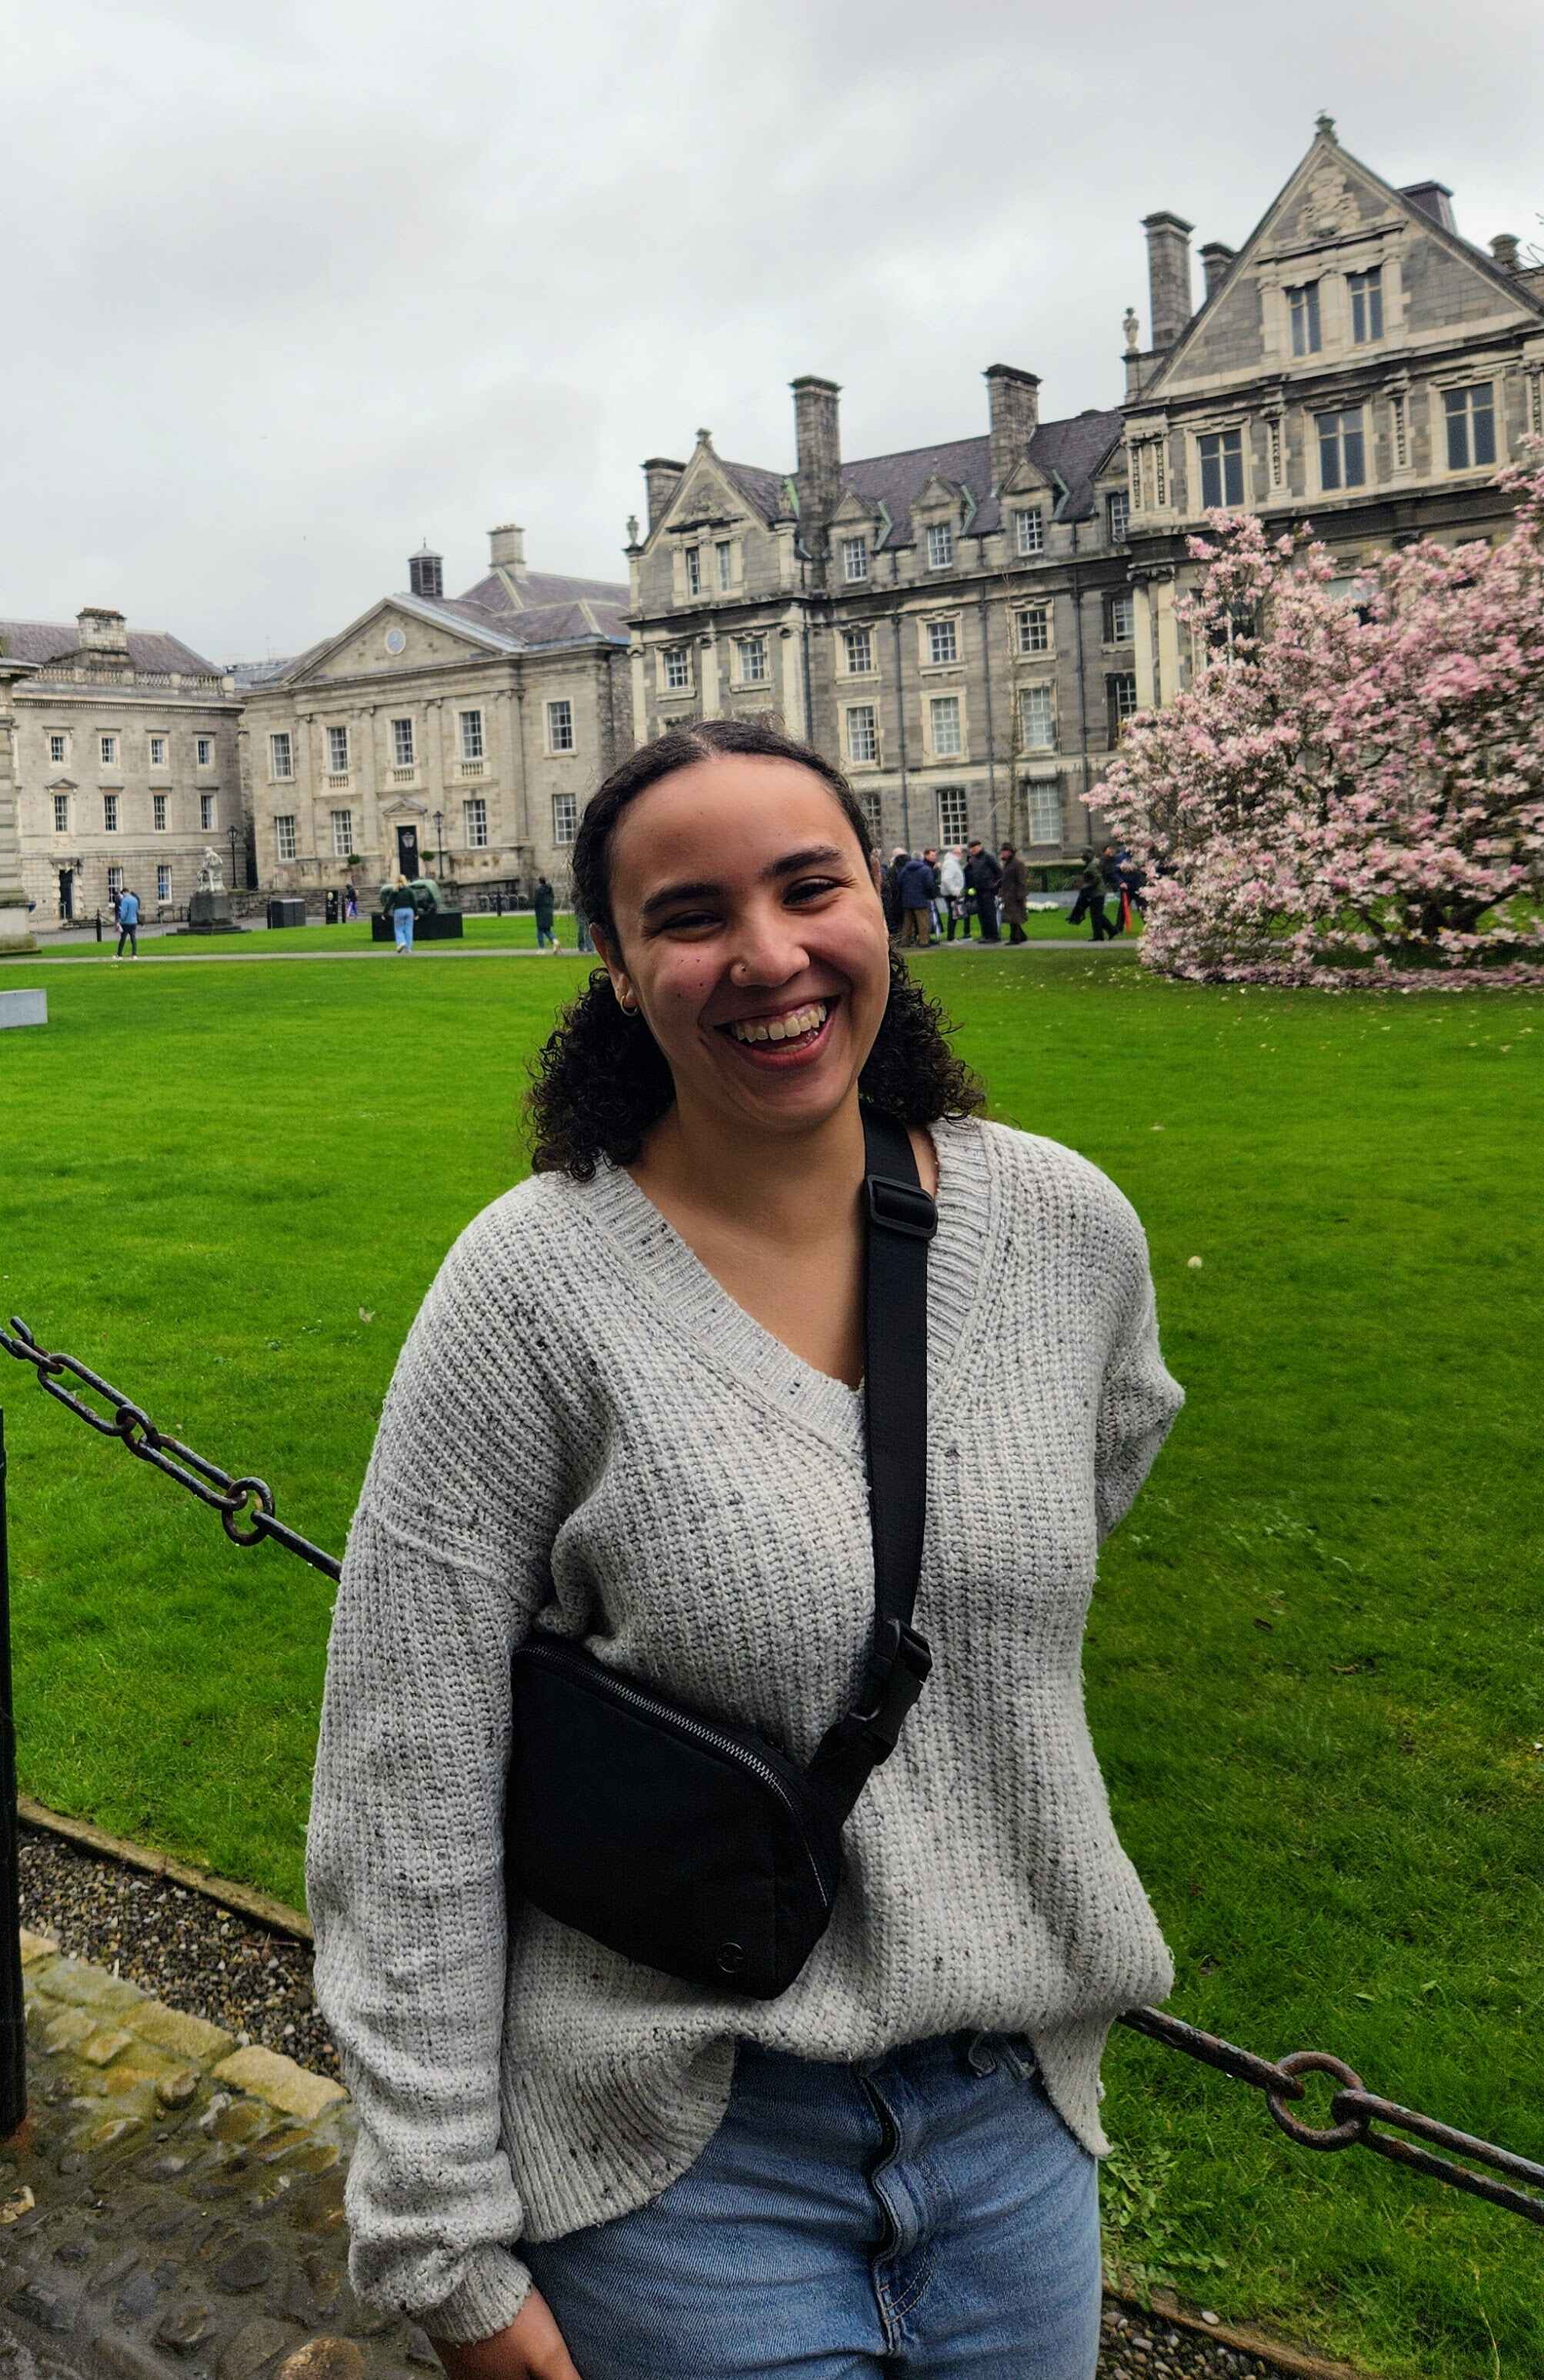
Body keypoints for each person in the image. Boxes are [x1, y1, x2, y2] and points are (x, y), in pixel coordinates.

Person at [307, 714, 1182, 2380]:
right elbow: (400, 1773)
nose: (766, 956)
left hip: (1010, 2138)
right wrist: (443, 2244)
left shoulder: (1066, 1229)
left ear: (885, 903)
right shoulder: (530, 1291)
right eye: (691, 916)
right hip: (678, 2159)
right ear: (618, 969)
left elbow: (1088, 1473)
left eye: (808, 887)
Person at [1068, 850, 1113, 943]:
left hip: (1097, 893)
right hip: (1096, 893)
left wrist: (1085, 887)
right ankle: (1110, 931)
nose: (1082, 857)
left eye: (1083, 856)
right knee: (1097, 915)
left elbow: (1096, 880)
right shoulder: (1092, 864)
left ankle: (1099, 936)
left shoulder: (1092, 866)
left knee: (1096, 915)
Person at [895, 849, 935, 947]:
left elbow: (899, 882)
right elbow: (929, 884)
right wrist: (930, 895)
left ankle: (905, 941)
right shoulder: (926, 869)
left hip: (907, 899)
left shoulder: (905, 869)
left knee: (907, 923)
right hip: (921, 899)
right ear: (921, 858)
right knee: (923, 922)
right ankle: (924, 941)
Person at [965, 839, 1002, 942]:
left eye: (973, 848)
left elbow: (998, 872)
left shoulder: (988, 857)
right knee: (981, 914)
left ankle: (994, 936)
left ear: (979, 847)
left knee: (989, 913)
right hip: (978, 890)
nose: (972, 851)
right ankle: (985, 935)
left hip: (988, 890)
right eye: (970, 849)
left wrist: (996, 886)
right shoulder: (973, 859)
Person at [999, 844, 1029, 945]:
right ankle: (1022, 936)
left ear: (1010, 852)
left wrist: (1021, 894)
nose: (1002, 853)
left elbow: (1022, 880)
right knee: (1012, 917)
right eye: (1002, 851)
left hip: (1015, 895)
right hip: (1008, 895)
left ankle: (1015, 938)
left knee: (1014, 917)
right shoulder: (1007, 864)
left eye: (1005, 851)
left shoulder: (1017, 864)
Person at [939, 843, 967, 940]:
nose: (961, 855)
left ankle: (951, 936)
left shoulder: (952, 862)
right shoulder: (950, 863)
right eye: (959, 853)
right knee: (953, 915)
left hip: (952, 893)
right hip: (951, 894)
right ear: (954, 853)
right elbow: (947, 879)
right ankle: (950, 937)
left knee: (954, 915)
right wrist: (955, 891)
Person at [389, 875, 417, 953]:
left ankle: (401, 942)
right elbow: (414, 902)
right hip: (409, 911)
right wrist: (416, 913)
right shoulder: (409, 890)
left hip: (399, 911)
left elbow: (389, 902)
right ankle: (408, 948)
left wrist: (384, 913)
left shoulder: (395, 891)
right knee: (409, 929)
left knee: (399, 929)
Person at [921, 846, 944, 939]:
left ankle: (930, 936)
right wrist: (936, 870)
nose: (934, 857)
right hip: (927, 896)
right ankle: (930, 937)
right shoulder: (926, 867)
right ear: (926, 855)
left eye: (935, 855)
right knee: (930, 917)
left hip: (928, 895)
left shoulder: (930, 865)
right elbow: (930, 881)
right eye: (932, 855)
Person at [532, 874, 559, 951]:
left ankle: (541, 948)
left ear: (539, 882)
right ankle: (555, 941)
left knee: (540, 930)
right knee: (547, 930)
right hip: (549, 912)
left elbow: (536, 902)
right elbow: (552, 899)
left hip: (541, 913)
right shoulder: (550, 890)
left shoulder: (538, 891)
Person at [114, 886, 140, 958]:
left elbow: (124, 912)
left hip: (125, 923)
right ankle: (134, 955)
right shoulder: (135, 900)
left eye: (123, 894)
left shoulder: (125, 900)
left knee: (123, 939)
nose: (123, 896)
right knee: (133, 938)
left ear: (125, 892)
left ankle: (119, 955)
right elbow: (137, 911)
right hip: (134, 922)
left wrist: (120, 921)